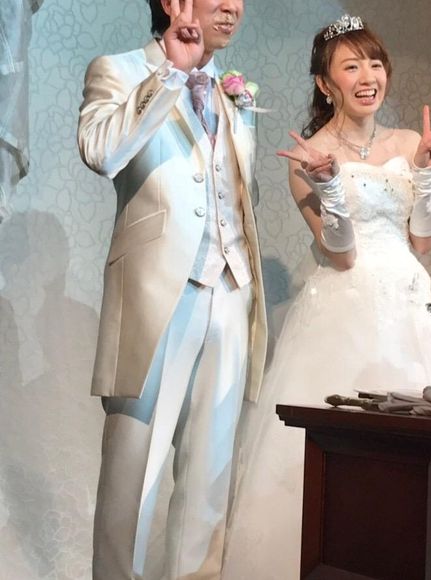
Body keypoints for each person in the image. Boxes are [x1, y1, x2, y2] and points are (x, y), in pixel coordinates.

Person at [221, 14, 431, 579]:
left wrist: (428, 172)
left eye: (375, 64)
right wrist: (329, 187)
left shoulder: (409, 143)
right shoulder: (308, 155)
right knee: (341, 461)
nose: (368, 77)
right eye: (351, 66)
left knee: (430, 452)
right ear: (325, 83)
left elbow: (422, 241)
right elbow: (340, 254)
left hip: (411, 304)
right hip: (343, 309)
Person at [77, 0, 267, 578]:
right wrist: (169, 75)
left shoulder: (235, 91)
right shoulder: (119, 70)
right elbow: (101, 152)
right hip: (157, 294)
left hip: (230, 289)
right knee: (134, 472)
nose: (234, 7)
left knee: (210, 471)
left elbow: (238, 192)